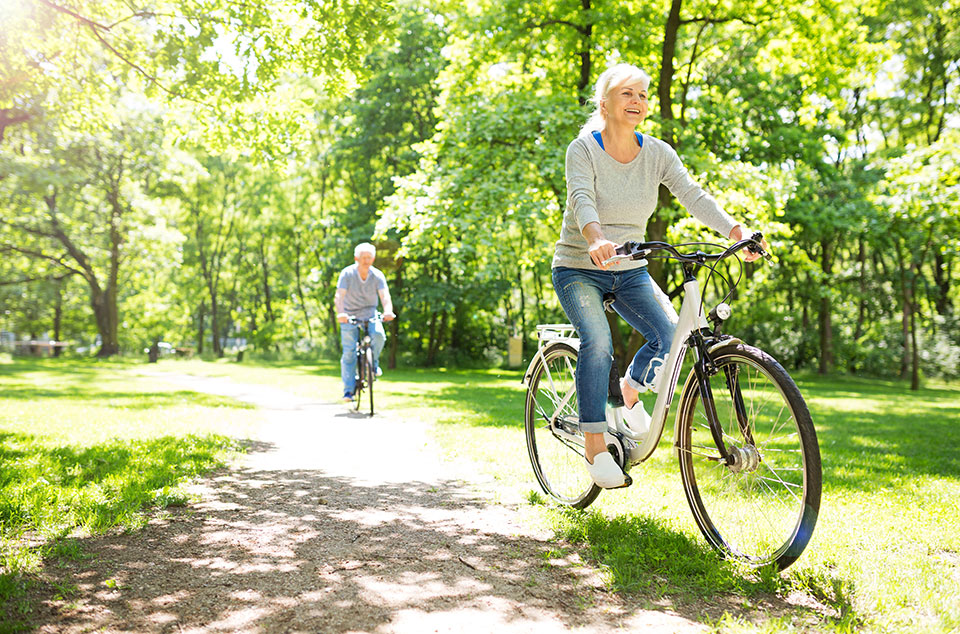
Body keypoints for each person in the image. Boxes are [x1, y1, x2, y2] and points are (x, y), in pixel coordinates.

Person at [552, 63, 768, 488]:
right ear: (605, 104)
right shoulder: (583, 149)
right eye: (627, 94)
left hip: (629, 268)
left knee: (671, 334)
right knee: (598, 341)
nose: (638, 102)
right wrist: (595, 237)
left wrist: (735, 231)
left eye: (643, 95)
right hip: (579, 266)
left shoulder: (657, 153)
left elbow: (692, 194)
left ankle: (630, 391)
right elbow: (581, 198)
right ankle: (596, 449)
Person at [335, 243, 396, 403]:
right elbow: (339, 296)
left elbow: (385, 296)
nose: (366, 260)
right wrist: (341, 313)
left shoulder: (377, 275)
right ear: (356, 258)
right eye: (363, 257)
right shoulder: (347, 274)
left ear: (373, 259)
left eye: (369, 257)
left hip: (370, 313)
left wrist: (388, 311)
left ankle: (373, 365)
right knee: (349, 352)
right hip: (349, 314)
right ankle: (348, 391)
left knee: (379, 335)